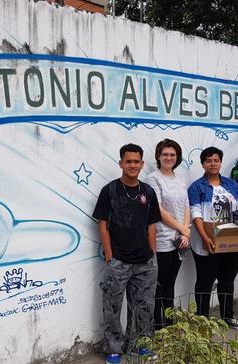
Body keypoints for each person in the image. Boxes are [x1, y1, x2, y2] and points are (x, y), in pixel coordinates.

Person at [93, 143, 161, 364]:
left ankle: (140, 345)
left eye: (136, 161)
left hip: (145, 261)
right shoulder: (110, 191)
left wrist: (153, 253)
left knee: (143, 307)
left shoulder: (148, 192)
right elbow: (102, 224)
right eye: (128, 161)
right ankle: (113, 348)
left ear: (142, 164)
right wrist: (109, 254)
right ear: (121, 163)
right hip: (118, 261)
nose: (133, 165)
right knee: (112, 307)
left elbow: (152, 225)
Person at [187, 147, 238, 331]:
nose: (212, 163)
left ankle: (227, 317)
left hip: (231, 242)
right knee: (205, 282)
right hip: (206, 242)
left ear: (221, 162)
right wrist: (205, 238)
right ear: (203, 164)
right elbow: (195, 214)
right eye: (208, 160)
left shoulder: (231, 185)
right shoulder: (196, 187)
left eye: (216, 160)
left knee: (227, 280)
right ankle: (202, 321)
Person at [144, 139, 191, 330]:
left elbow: (186, 206)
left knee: (171, 282)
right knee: (160, 283)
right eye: (165, 154)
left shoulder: (180, 178)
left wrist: (186, 231)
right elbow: (159, 210)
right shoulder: (153, 179)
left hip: (181, 238)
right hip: (163, 237)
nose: (169, 158)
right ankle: (158, 324)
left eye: (173, 155)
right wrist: (182, 228)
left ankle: (169, 322)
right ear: (158, 156)